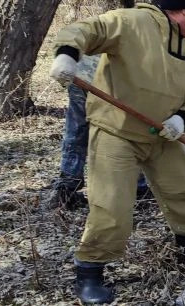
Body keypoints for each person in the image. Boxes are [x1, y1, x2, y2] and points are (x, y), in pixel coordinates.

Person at [48, 0, 185, 304]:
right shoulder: (133, 22)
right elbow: (85, 30)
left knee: (184, 186)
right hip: (116, 131)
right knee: (112, 205)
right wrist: (67, 55)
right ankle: (90, 272)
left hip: (160, 135)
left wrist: (181, 119)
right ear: (182, 10)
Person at [48, 53, 150, 210]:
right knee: (124, 130)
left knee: (77, 130)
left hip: (82, 73)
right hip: (105, 78)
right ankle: (137, 187)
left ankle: (67, 185)